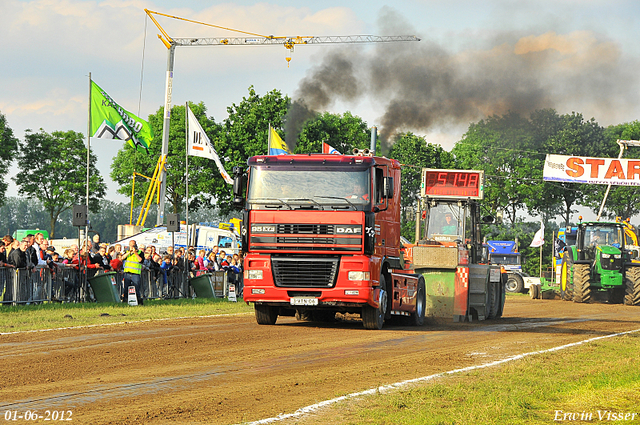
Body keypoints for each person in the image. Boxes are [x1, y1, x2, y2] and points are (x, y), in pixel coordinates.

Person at [122, 240, 144, 305]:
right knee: (126, 288)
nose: (132, 247)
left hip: (135, 273)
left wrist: (135, 253)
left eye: (133, 245)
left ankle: (138, 301)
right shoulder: (126, 252)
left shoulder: (140, 252)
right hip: (127, 273)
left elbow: (140, 260)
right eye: (131, 245)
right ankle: (125, 300)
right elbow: (122, 258)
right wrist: (129, 252)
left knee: (137, 288)